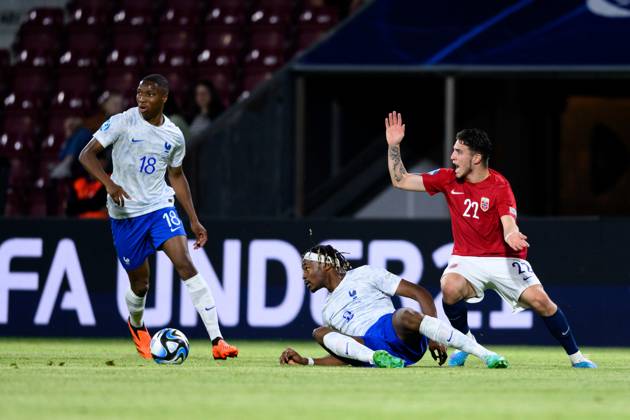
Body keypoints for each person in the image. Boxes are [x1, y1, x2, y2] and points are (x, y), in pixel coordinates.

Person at [384, 111, 596, 368]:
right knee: (450, 287)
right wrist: (393, 146)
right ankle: (466, 342)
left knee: (542, 302)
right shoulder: (447, 178)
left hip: (503, 258)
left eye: (458, 152)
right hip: (466, 258)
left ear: (476, 158)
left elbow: (508, 222)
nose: (452, 157)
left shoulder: (499, 186)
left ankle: (577, 358)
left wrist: (512, 234)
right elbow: (401, 180)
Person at [78, 74, 238, 361]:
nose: (142, 99)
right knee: (141, 285)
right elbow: (86, 155)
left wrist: (193, 219)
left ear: (164, 97)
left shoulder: (174, 135)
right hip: (126, 214)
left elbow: (176, 175)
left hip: (159, 207)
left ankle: (218, 340)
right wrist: (109, 184)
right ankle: (136, 323)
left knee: (185, 264)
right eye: (139, 93)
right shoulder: (122, 122)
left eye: (149, 94)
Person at [279, 244, 509, 368]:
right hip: (369, 347)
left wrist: (433, 336)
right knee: (319, 332)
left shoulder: (365, 273)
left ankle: (486, 355)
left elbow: (419, 293)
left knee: (403, 314)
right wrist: (308, 361)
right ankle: (379, 359)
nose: (303, 275)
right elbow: (346, 354)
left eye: (307, 268)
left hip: (395, 331)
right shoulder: (326, 311)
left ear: (326, 265)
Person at [188, 80, 225, 145]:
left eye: (204, 93)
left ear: (211, 94)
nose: (201, 97)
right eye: (198, 94)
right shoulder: (191, 115)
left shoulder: (219, 116)